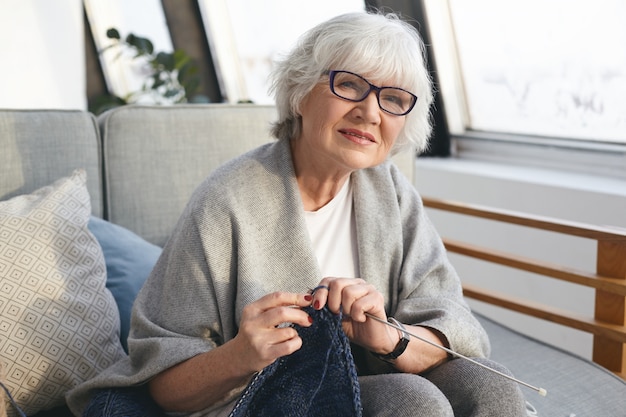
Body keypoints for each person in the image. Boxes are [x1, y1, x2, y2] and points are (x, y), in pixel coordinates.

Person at [69, 10, 527, 416]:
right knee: (413, 401)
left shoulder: (392, 193)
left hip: (372, 377)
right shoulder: (226, 200)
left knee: (492, 386)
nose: (370, 112)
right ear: (302, 91)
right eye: (349, 85)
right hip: (263, 401)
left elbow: (455, 326)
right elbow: (164, 387)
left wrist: (390, 337)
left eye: (393, 98)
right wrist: (241, 355)